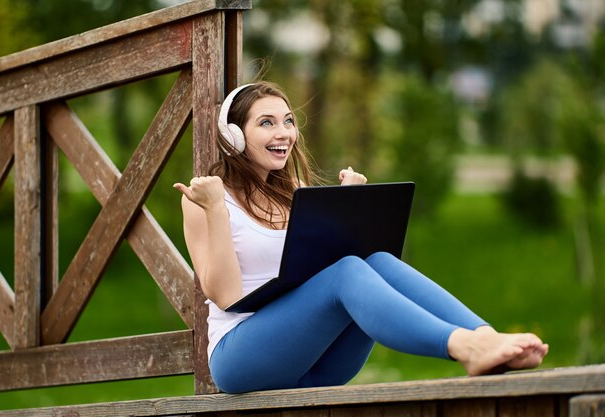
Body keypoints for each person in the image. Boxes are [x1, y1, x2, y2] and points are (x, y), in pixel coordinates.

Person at [173, 81, 548, 393]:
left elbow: (314, 277)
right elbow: (225, 295)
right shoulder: (205, 198)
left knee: (378, 260)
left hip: (318, 363)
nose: (283, 133)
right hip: (241, 359)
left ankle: (487, 336)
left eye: (288, 121)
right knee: (348, 271)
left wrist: (345, 211)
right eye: (266, 123)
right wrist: (216, 211)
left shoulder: (297, 194)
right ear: (235, 137)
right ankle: (465, 347)